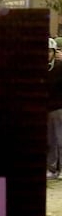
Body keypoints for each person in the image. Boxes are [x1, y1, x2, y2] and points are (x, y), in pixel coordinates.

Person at [49, 38, 62, 178]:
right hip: (48, 108)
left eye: (50, 51)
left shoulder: (59, 66)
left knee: (60, 139)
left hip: (58, 108)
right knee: (51, 140)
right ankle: (52, 168)